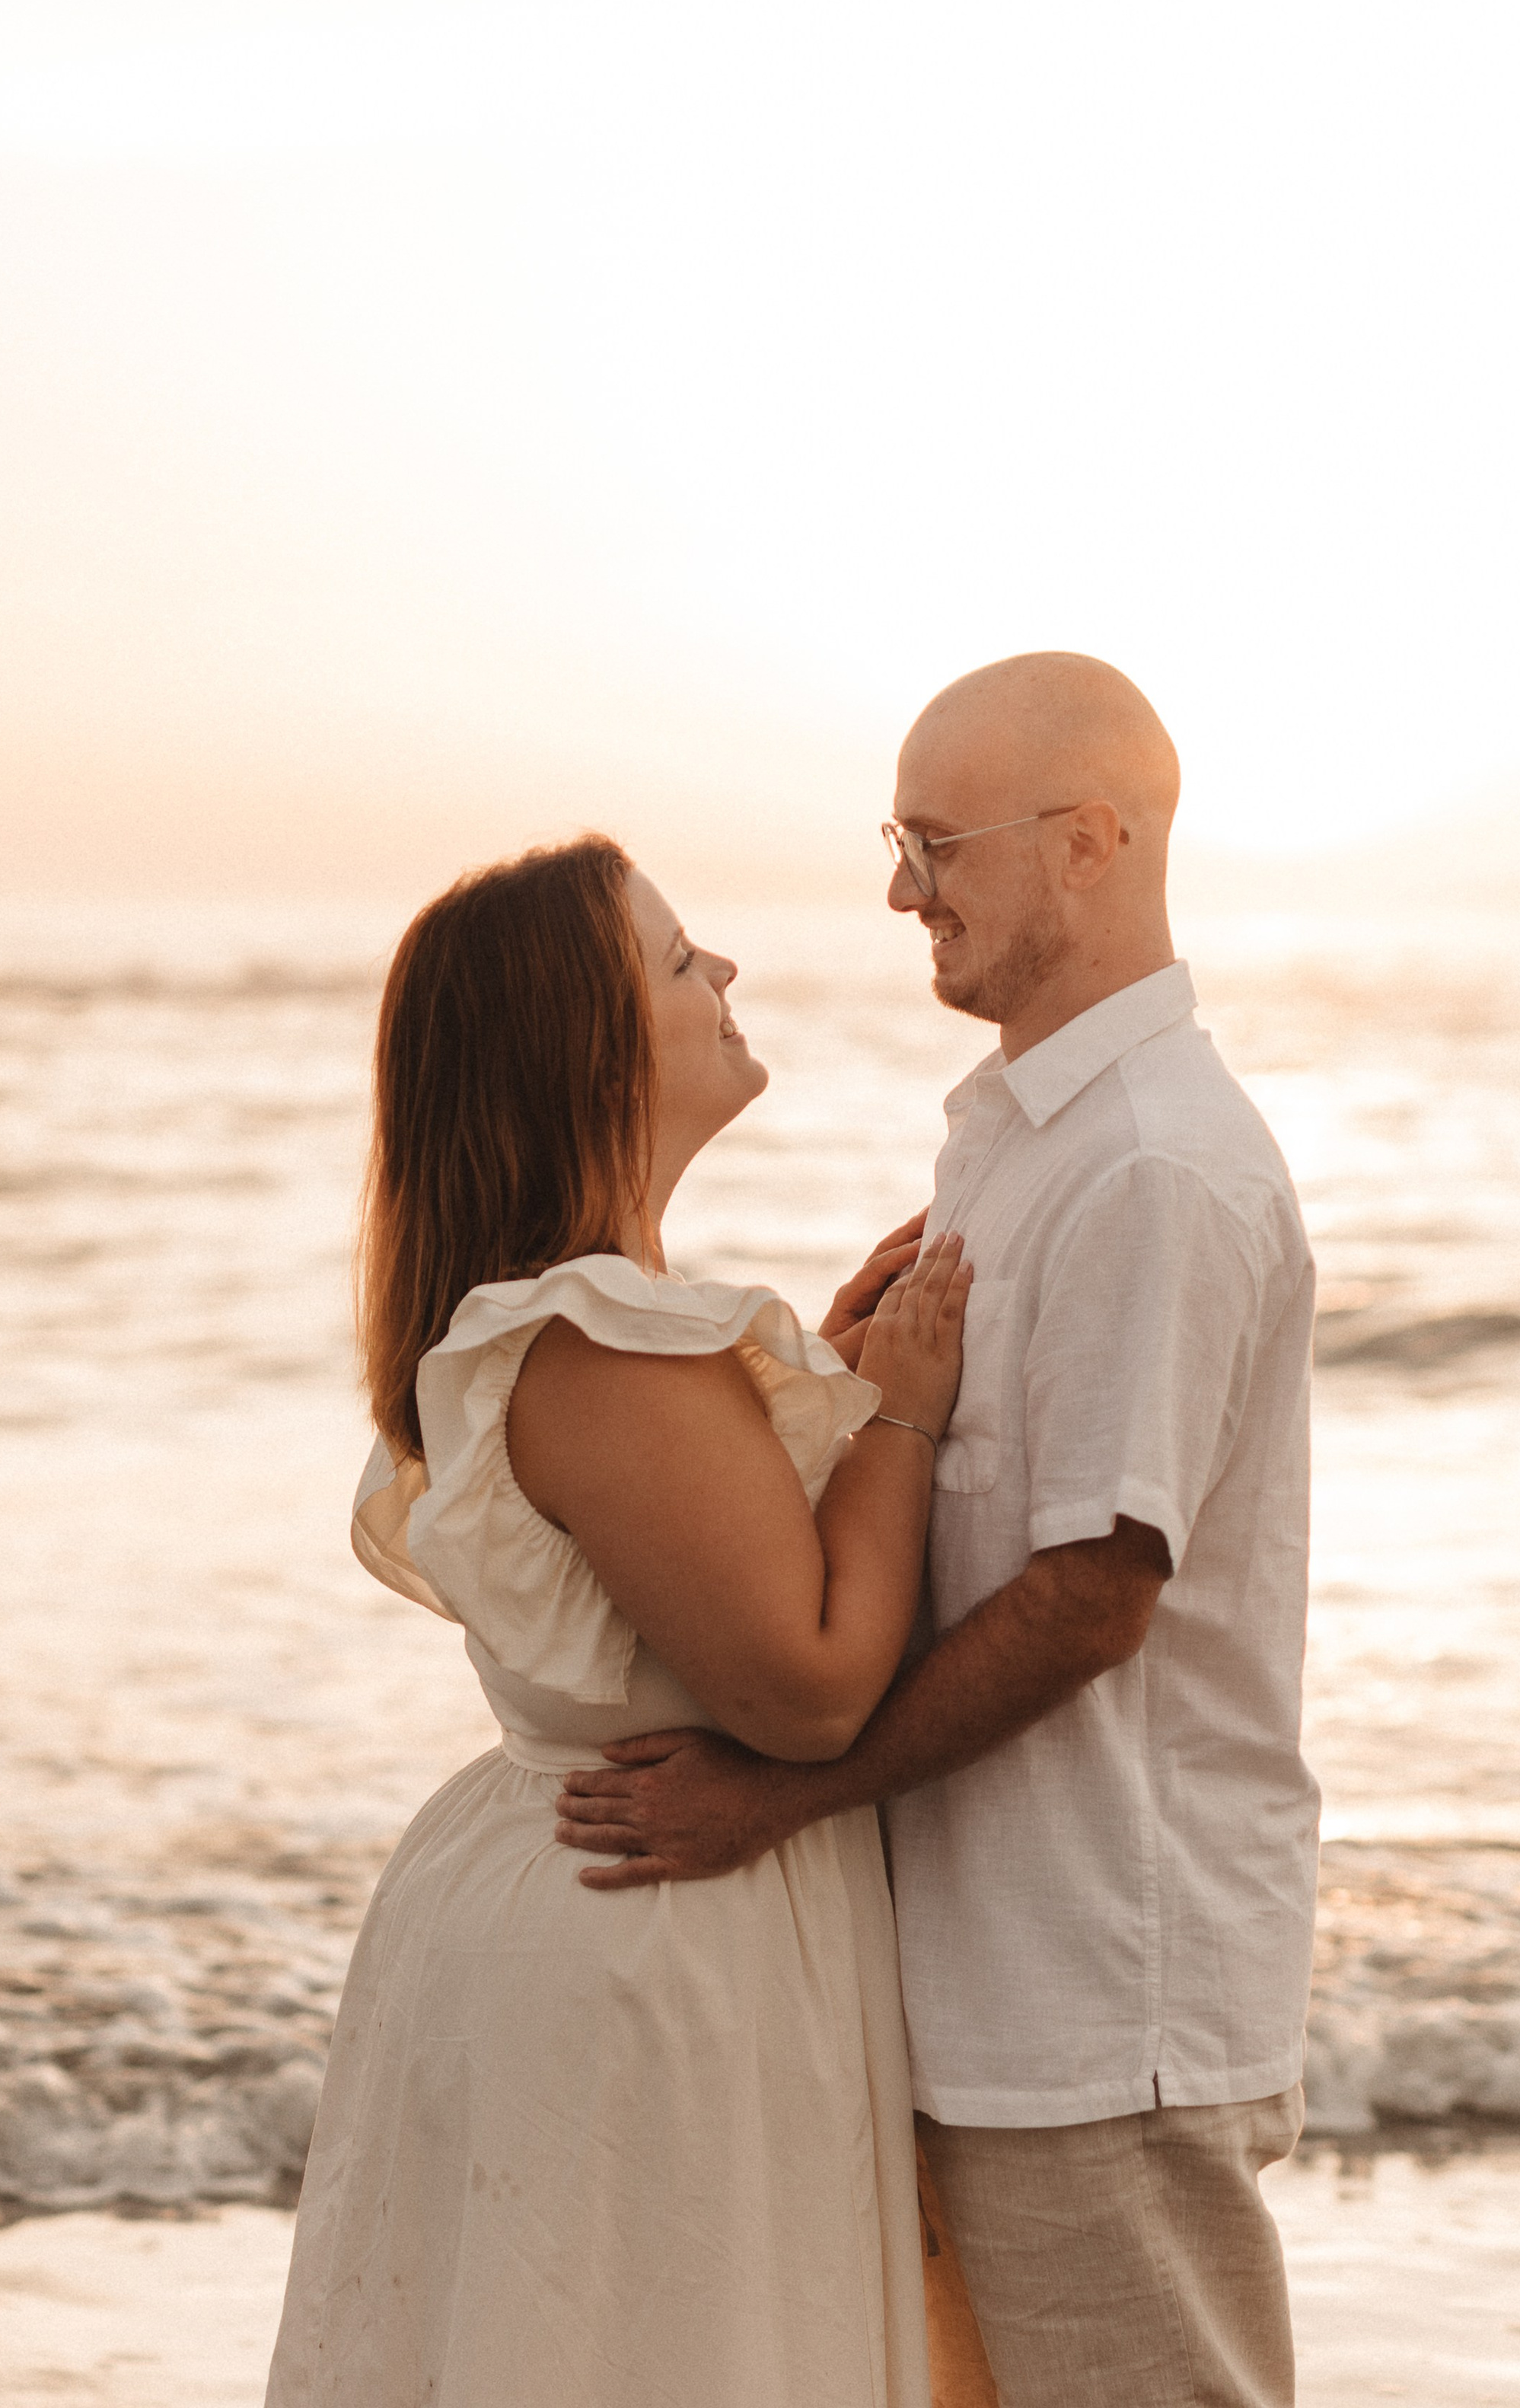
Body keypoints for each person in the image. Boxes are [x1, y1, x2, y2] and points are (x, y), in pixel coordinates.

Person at [556, 653, 1322, 2408]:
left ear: (1087, 842)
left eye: (932, 843)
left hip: (1092, 1998)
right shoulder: (1022, 1140)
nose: (898, 888)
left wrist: (777, 1799)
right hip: (984, 1988)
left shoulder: (1145, 1164)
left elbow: (1087, 1599)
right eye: (894, 839)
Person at [264, 833, 975, 2408]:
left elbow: (701, 1566)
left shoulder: (590, 1328)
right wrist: (900, 1419)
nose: (720, 972)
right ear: (586, 1054)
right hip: (654, 1934)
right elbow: (803, 1690)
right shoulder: (602, 1341)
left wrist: (838, 1391)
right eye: (675, 959)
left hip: (586, 1892)